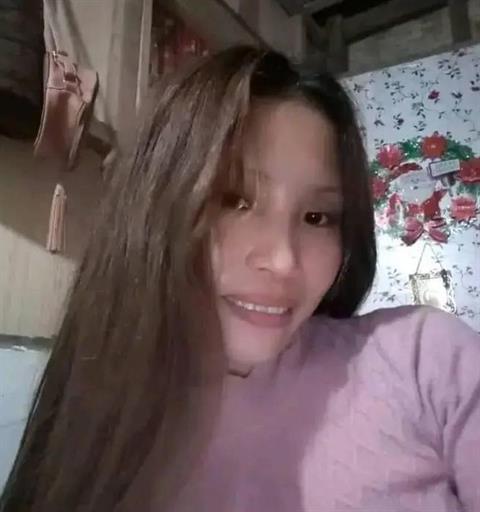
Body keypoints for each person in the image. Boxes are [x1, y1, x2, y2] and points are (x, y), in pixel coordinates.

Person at [1, 46, 479, 512]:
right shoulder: (94, 415)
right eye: (234, 200)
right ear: (154, 207)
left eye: (317, 217)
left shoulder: (423, 359)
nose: (284, 261)